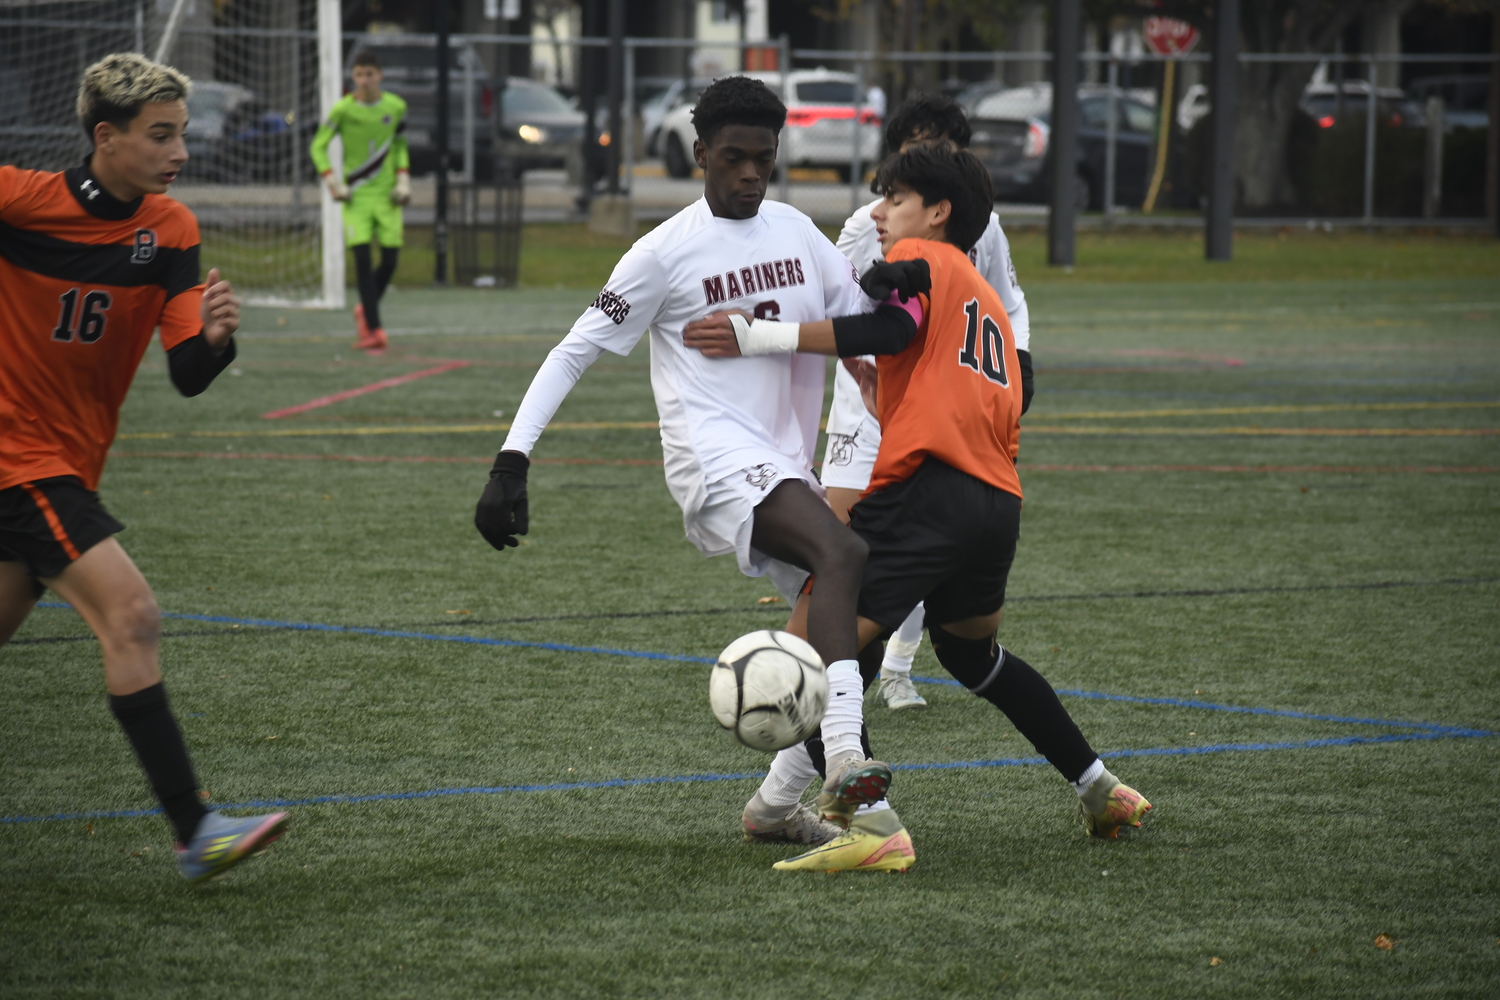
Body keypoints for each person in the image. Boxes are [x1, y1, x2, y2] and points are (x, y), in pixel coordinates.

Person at [684, 143, 1151, 872]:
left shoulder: (922, 259)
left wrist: (760, 335)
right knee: (971, 655)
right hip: (995, 504)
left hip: (928, 494)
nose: (878, 212)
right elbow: (963, 388)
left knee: (811, 651)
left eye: (894, 198)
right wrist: (888, 397)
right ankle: (1100, 788)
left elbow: (892, 327)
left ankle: (872, 828)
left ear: (938, 213)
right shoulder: (984, 300)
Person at [472, 76, 905, 852]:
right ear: (700, 153)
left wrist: (875, 343)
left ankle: (776, 808)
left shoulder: (797, 231)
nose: (750, 174)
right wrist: (512, 459)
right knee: (842, 553)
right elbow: (573, 351)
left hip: (783, 462)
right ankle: (847, 759)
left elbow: (858, 320)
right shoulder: (662, 253)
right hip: (714, 460)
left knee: (853, 615)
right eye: (733, 158)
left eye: (763, 159)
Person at [0, 53, 288, 881]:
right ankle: (196, 830)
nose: (180, 153)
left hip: (67, 465)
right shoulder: (21, 202)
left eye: (181, 134)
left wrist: (217, 340)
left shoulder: (171, 230)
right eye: (160, 136)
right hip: (19, 459)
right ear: (106, 137)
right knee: (131, 616)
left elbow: (187, 373)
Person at [826, 95, 1033, 712]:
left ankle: (892, 669)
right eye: (914, 148)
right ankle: (835, 703)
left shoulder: (980, 225)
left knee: (921, 547)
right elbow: (835, 304)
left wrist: (1019, 362)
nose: (927, 157)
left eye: (941, 146)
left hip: (938, 414)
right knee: (844, 560)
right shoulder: (870, 224)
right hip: (866, 408)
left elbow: (1006, 303)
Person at [310, 49, 411, 353]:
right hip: (356, 197)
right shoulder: (343, 110)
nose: (364, 80)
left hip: (388, 196)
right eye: (358, 75)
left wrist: (404, 179)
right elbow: (318, 146)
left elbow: (400, 145)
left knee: (390, 260)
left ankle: (364, 309)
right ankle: (375, 330)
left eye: (369, 74)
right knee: (363, 260)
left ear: (380, 75)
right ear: (353, 77)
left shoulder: (396, 107)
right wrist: (332, 181)